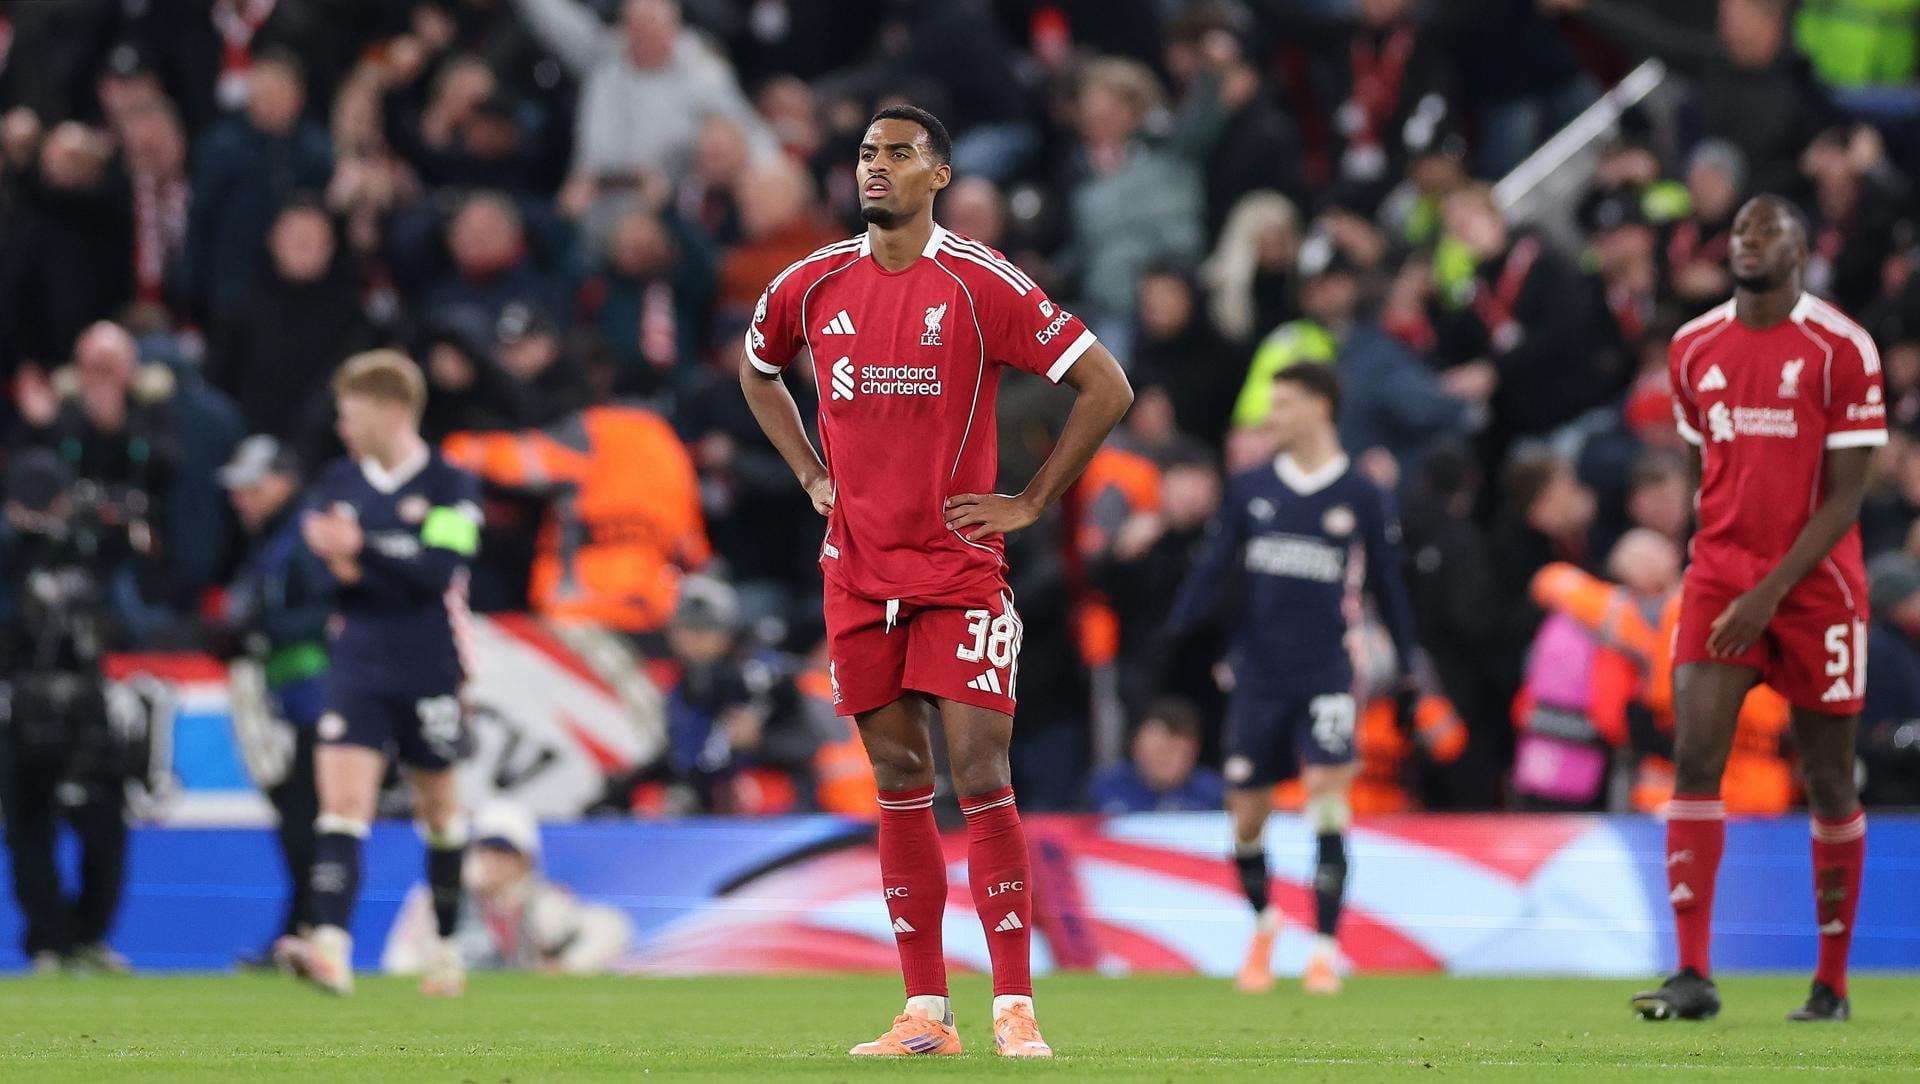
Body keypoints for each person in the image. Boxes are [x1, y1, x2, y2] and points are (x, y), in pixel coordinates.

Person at [737, 105, 1133, 1057]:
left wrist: (1033, 500)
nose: (877, 168)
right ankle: (926, 1012)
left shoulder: (977, 281)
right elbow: (757, 373)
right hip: (856, 570)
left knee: (981, 773)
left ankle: (1014, 1007)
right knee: (898, 779)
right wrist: (810, 476)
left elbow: (1106, 385)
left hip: (957, 568)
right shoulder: (810, 281)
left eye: (900, 154)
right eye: (868, 152)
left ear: (939, 177)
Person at [1634, 196, 1885, 1024]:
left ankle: (1832, 984)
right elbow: (1709, 462)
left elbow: (1846, 499)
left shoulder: (1841, 348)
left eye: (1767, 231)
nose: (1749, 242)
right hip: (1718, 576)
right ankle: (1694, 974)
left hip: (1815, 590)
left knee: (1826, 780)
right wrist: (1731, 577)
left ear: (1800, 249)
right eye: (1741, 231)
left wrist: (1768, 594)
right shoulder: (1691, 345)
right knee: (1695, 759)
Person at [1163, 363, 1419, 997]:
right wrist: (1175, 633)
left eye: (1283, 404)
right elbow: (1218, 569)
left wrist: (1410, 660)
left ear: (1320, 407)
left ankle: (1326, 949)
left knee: (1328, 797)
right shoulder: (1250, 487)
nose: (1273, 417)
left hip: (1329, 670)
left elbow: (1387, 581)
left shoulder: (1361, 493)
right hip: (1258, 674)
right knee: (1246, 813)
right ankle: (1265, 922)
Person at [278, 351, 484, 1000]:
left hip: (430, 663)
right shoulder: (340, 481)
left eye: (351, 411)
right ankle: (331, 948)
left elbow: (438, 571)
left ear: (392, 410)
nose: (341, 425)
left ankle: (446, 948)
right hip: (359, 659)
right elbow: (319, 573)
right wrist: (381, 558)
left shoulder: (452, 482)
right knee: (341, 805)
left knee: (440, 811)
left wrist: (361, 552)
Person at [214, 436, 332, 966]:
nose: (241, 498)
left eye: (253, 486)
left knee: (304, 817)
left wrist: (262, 629)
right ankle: (303, 930)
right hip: (293, 698)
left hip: (318, 697)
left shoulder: (306, 532)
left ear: (284, 481)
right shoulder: (275, 536)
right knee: (296, 818)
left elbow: (335, 612)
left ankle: (311, 931)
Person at [381, 801, 633, 976]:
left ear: (525, 860)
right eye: (486, 848)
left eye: (504, 851)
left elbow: (611, 928)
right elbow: (400, 957)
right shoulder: (438, 895)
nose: (492, 859)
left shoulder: (543, 902)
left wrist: (566, 966)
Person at [1087, 699, 1225, 814]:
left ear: (1193, 752)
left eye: (1173, 751)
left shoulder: (1215, 793)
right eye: (1158, 751)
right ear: (1135, 746)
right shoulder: (1104, 787)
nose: (1164, 760)